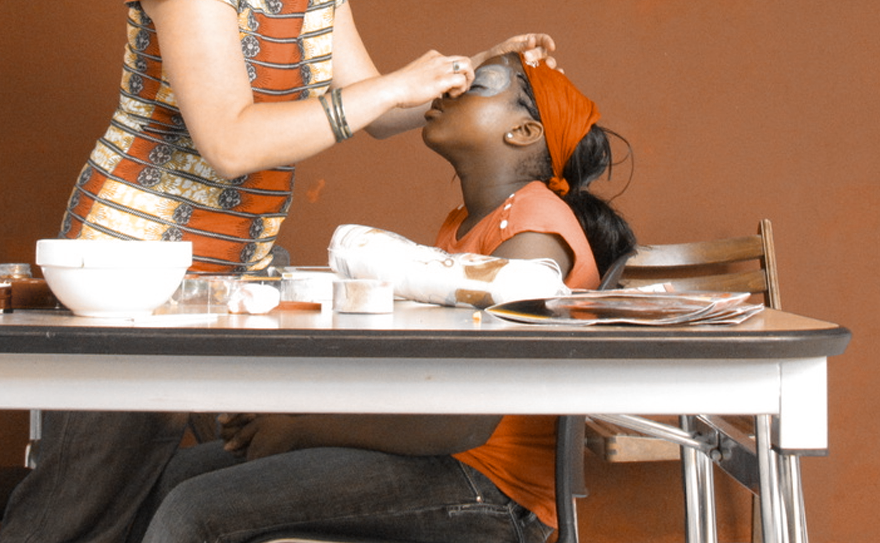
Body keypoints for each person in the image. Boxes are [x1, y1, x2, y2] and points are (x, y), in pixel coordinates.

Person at [0, 0, 556, 543]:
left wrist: (472, 70)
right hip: (130, 269)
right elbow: (230, 140)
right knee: (79, 508)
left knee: (174, 498)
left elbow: (377, 110)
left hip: (234, 276)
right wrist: (387, 90)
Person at [132, 53, 636, 543]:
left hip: (490, 491)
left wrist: (302, 429)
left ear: (523, 132)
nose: (451, 90)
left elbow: (462, 423)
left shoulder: (534, 230)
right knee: (173, 478)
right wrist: (294, 420)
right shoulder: (468, 225)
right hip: (446, 458)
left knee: (194, 510)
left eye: (477, 85)